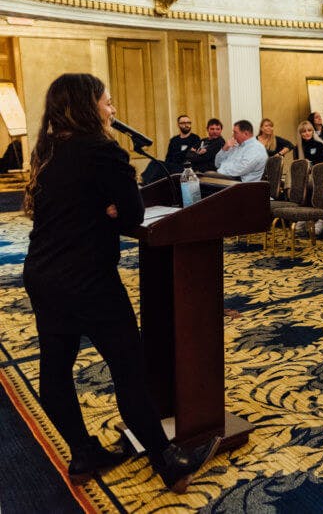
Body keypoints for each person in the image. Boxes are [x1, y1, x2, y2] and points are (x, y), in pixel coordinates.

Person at [22, 73, 220, 492]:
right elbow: (130, 215)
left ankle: (82, 453)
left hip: (43, 275)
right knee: (129, 368)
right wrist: (112, 208)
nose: (113, 110)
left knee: (55, 369)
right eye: (107, 102)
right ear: (87, 106)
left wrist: (108, 208)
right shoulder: (101, 150)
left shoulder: (48, 150)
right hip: (89, 280)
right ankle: (168, 462)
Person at [140, 114, 201, 185]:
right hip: (172, 166)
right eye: (183, 123)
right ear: (178, 125)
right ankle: (145, 183)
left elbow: (190, 156)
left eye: (188, 123)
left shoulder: (195, 138)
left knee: (159, 168)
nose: (186, 125)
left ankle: (147, 184)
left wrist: (181, 154)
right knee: (155, 162)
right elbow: (168, 157)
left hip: (184, 168)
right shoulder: (174, 140)